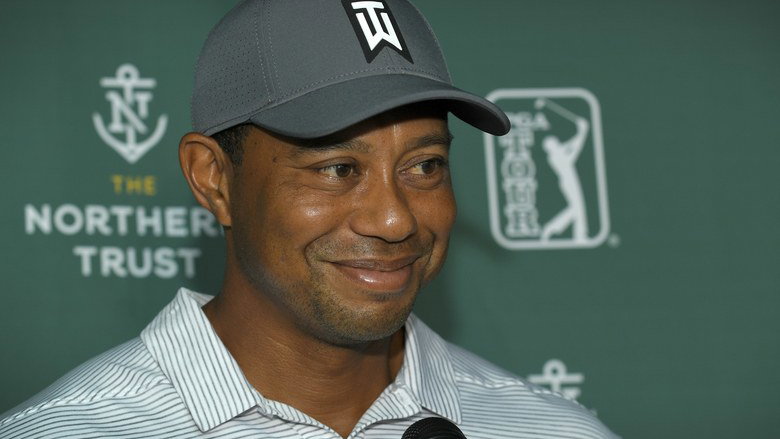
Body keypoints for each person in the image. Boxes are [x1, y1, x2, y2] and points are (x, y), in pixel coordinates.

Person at [0, 1, 618, 437]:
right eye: (337, 168)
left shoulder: (554, 431)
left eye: (425, 166)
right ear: (214, 179)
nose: (394, 220)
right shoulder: (71, 430)